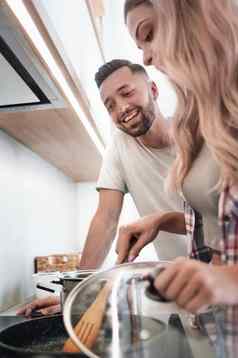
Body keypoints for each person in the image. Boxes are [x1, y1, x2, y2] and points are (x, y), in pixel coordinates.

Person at [17, 59, 187, 317]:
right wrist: (74, 293)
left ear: (153, 90)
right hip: (183, 288)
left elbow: (224, 220)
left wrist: (161, 220)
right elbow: (105, 219)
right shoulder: (120, 146)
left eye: (127, 93)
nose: (121, 108)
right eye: (110, 106)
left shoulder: (198, 133)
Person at [119, 0, 238, 313]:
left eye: (149, 33)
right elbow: (222, 227)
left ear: (192, 14)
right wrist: (163, 220)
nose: (144, 56)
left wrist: (228, 281)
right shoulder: (200, 117)